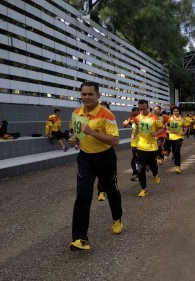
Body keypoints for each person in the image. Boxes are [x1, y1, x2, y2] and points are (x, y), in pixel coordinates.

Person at [68, 81, 123, 251]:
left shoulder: (107, 115)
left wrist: (92, 132)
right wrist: (73, 140)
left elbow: (115, 141)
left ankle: (117, 218)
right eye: (84, 94)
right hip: (85, 158)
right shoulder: (76, 113)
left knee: (111, 190)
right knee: (83, 196)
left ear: (98, 96)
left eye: (90, 94)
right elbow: (76, 134)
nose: (87, 97)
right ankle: (80, 238)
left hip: (105, 158)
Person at [133, 99, 163, 197]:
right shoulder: (137, 118)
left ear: (148, 107)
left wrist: (156, 133)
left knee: (153, 166)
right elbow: (136, 130)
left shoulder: (154, 118)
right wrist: (135, 132)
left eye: (144, 109)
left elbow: (163, 128)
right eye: (140, 109)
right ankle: (144, 189)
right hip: (140, 147)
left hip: (152, 147)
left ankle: (156, 174)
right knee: (140, 170)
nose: (142, 111)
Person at [94, 101, 111, 201]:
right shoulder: (92, 119)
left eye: (105, 109)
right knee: (100, 173)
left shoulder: (110, 120)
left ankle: (110, 189)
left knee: (109, 174)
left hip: (107, 151)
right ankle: (101, 192)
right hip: (93, 151)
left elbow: (114, 138)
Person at [167, 106, 186, 174]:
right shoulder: (169, 119)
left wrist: (184, 133)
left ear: (179, 112)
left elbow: (186, 127)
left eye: (177, 111)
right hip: (172, 137)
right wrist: (170, 132)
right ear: (172, 112)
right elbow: (166, 129)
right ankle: (175, 159)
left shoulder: (182, 119)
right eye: (174, 111)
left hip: (179, 137)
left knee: (177, 151)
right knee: (174, 151)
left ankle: (177, 166)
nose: (175, 112)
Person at [122, 106, 140, 181]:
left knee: (140, 158)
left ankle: (146, 167)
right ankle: (136, 174)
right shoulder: (131, 119)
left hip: (144, 142)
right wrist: (130, 118)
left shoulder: (143, 119)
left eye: (136, 114)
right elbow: (124, 126)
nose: (135, 116)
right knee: (135, 159)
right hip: (134, 143)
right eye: (134, 114)